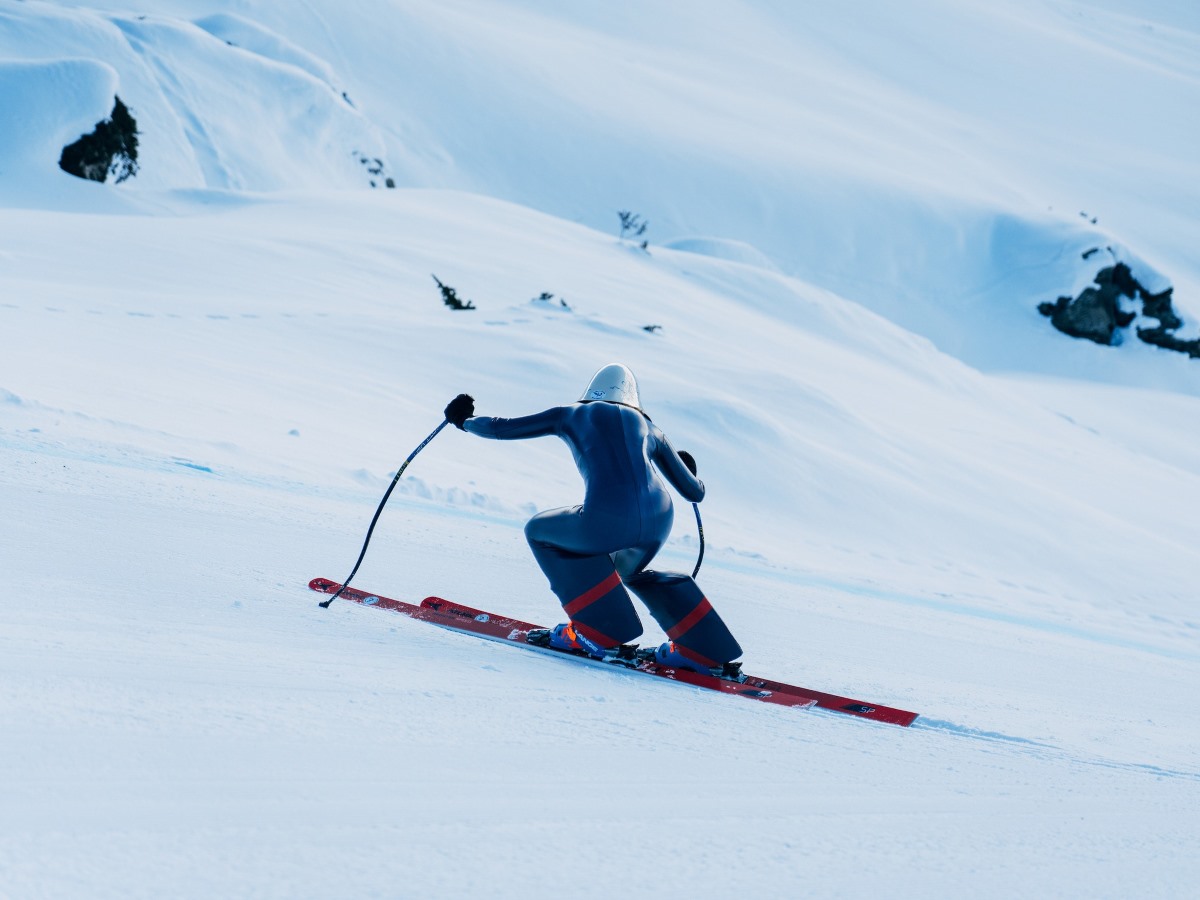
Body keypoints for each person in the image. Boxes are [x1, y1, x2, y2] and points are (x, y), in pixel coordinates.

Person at [443, 363, 742, 675]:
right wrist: (687, 470)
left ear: (589, 393)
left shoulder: (572, 413)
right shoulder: (650, 427)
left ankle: (597, 634)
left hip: (608, 515)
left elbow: (501, 427)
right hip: (659, 519)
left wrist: (464, 421)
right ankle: (702, 650)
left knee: (539, 530)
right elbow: (694, 492)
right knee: (629, 570)